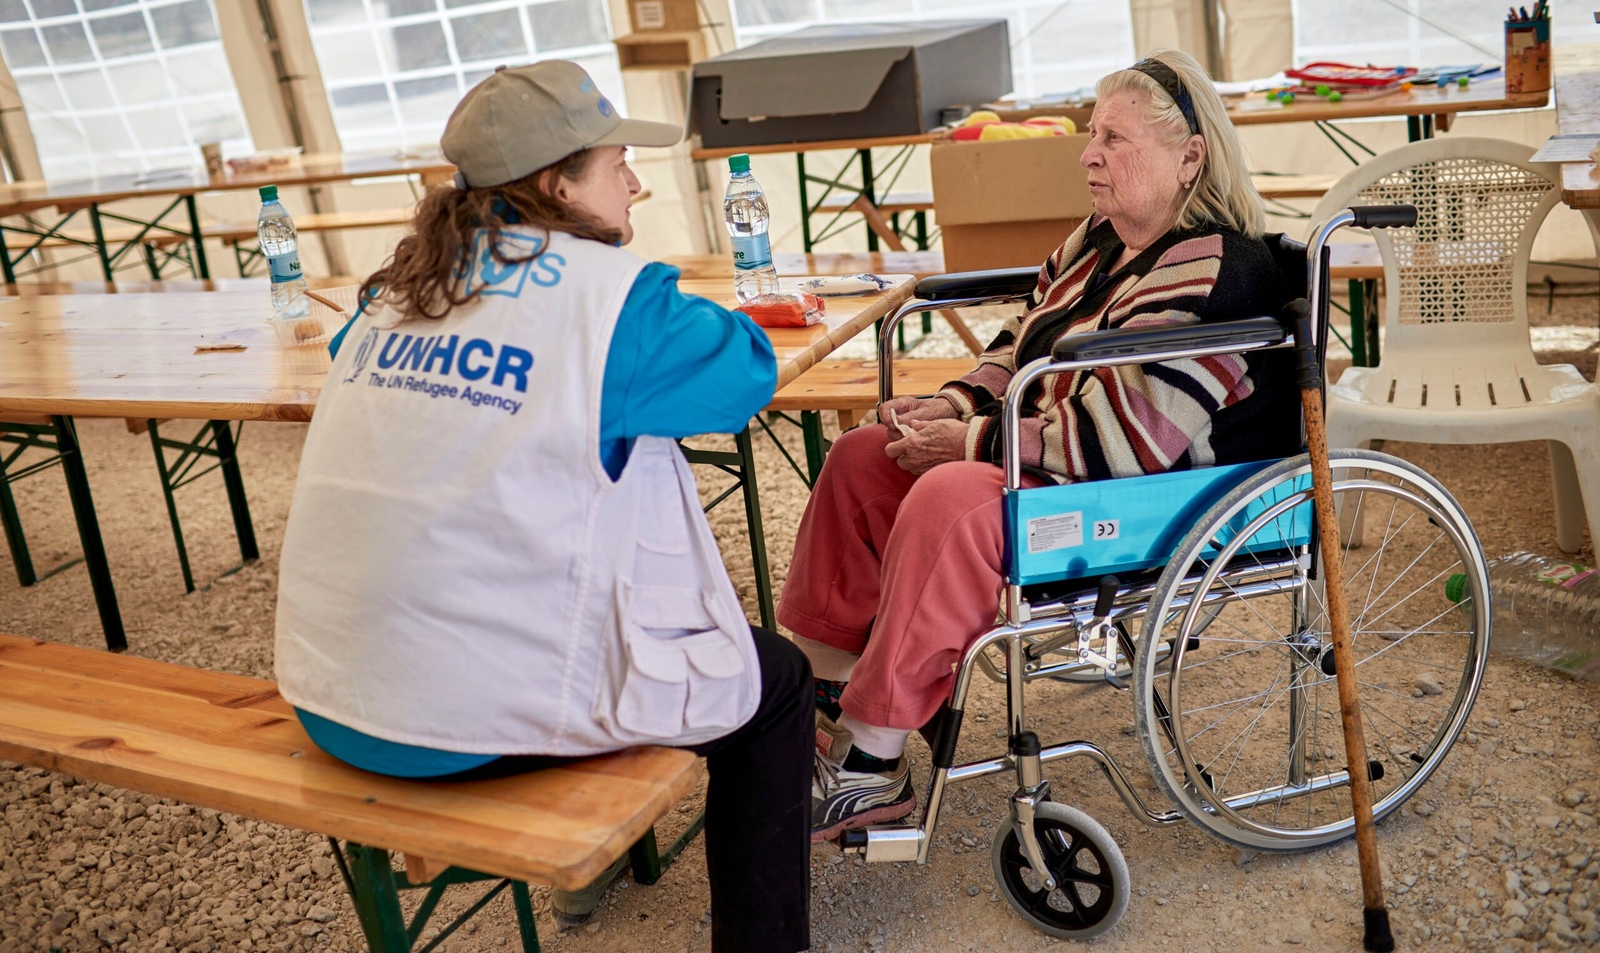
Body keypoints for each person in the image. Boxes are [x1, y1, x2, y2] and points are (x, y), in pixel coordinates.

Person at [274, 61, 811, 953]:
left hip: (329, 689)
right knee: (777, 684)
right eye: (616, 165)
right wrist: (630, 278)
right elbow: (741, 374)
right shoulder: (612, 304)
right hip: (457, 719)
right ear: (560, 185)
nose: (636, 181)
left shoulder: (392, 290)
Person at [779, 49, 1300, 842]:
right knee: (863, 457)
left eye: (1115, 139)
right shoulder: (1103, 237)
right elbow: (1021, 340)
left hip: (1148, 495)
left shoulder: (1219, 268)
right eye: (1093, 133)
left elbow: (1127, 440)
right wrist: (950, 404)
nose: (1088, 153)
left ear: (1190, 156)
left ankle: (873, 761)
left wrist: (972, 443)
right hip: (1056, 460)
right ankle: (827, 697)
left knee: (952, 500)